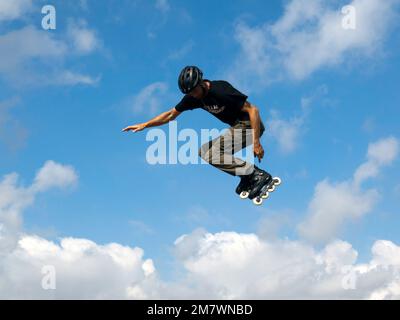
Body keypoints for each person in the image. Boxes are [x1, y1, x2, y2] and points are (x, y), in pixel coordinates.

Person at [123, 66, 275, 201]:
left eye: (195, 90)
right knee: (204, 151)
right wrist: (145, 124)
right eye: (190, 93)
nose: (194, 95)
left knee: (210, 152)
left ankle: (256, 175)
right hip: (237, 126)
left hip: (250, 125)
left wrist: (256, 143)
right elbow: (170, 115)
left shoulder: (220, 90)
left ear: (201, 82)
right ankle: (247, 176)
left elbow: (253, 110)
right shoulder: (192, 98)